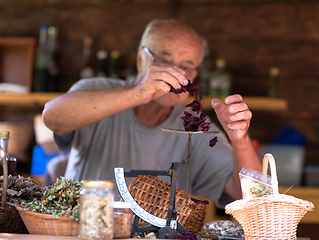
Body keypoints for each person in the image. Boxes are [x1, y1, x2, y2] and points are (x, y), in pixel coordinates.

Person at [42, 19, 262, 207]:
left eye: (187, 65)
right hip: (80, 230)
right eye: (164, 61)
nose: (175, 72)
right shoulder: (95, 90)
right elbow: (52, 118)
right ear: (140, 59)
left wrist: (240, 139)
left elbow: (255, 196)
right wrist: (138, 93)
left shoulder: (196, 128)